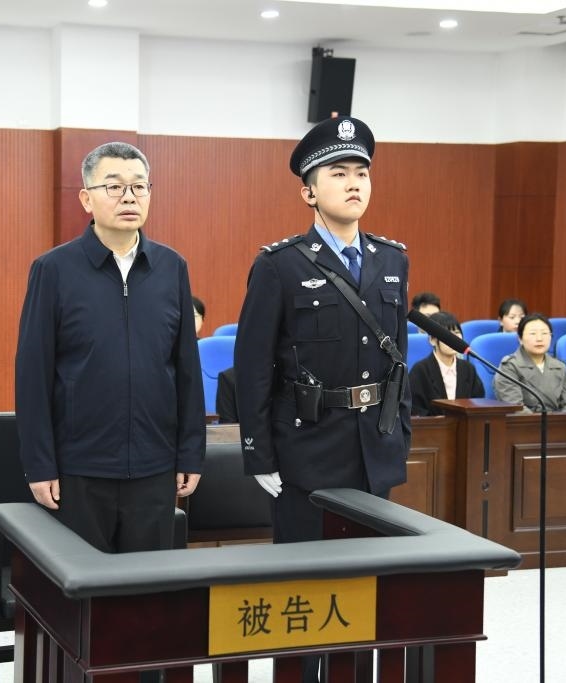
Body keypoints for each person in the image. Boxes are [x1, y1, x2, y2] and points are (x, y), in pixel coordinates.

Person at [235, 115, 410, 682]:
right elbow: (252, 368)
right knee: (305, 595)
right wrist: (259, 455)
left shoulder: (392, 260)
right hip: (306, 452)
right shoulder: (279, 264)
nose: (354, 182)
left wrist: (399, 433)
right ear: (308, 192)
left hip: (372, 451)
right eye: (338, 173)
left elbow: (399, 359)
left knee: (365, 592)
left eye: (362, 172)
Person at [15, 141, 205, 556]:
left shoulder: (171, 268)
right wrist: (39, 464)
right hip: (78, 468)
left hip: (155, 466)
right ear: (87, 198)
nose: (129, 197)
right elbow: (32, 375)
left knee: (148, 588)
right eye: (114, 187)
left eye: (139, 186)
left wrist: (191, 452)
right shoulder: (53, 270)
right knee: (82, 587)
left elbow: (187, 369)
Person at [493, 313, 566, 413]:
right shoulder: (509, 367)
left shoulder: (560, 367)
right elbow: (516, 408)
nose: (539, 339)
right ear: (520, 339)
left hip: (559, 421)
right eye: (533, 334)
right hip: (526, 421)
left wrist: (562, 420)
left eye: (544, 333)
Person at [408, 311, 484, 416]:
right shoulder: (420, 371)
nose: (453, 339)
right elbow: (415, 409)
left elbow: (478, 403)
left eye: (457, 332)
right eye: (447, 334)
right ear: (432, 340)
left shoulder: (469, 369)